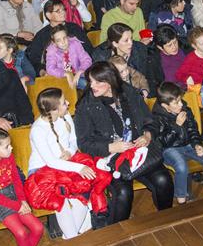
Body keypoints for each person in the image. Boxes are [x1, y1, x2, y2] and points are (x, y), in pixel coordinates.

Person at [74, 62, 173, 224]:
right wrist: (111, 147)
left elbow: (150, 120)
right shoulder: (86, 106)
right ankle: (117, 232)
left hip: (138, 150)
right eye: (91, 81)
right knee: (124, 193)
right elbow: (84, 143)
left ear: (110, 81)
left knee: (163, 179)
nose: (92, 86)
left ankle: (166, 221)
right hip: (111, 157)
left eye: (98, 82)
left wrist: (147, 135)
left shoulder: (129, 92)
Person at [28, 88, 93, 239]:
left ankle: (71, 238)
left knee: (81, 192)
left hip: (66, 164)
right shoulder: (38, 130)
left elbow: (73, 141)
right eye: (64, 103)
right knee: (61, 199)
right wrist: (79, 168)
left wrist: (69, 151)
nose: (68, 103)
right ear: (53, 109)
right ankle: (74, 238)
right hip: (42, 171)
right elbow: (51, 162)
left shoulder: (65, 116)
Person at [0, 128, 43, 246]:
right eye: (7, 146)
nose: (11, 148)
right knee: (21, 232)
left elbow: (17, 180)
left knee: (38, 228)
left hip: (14, 195)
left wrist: (22, 200)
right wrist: (18, 206)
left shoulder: (9, 157)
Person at [152, 82, 203, 203]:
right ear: (165, 106)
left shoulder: (185, 110)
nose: (181, 104)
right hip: (169, 149)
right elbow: (162, 142)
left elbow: (193, 130)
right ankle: (181, 200)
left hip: (188, 145)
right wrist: (176, 126)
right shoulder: (157, 117)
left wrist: (197, 144)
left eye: (180, 100)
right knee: (182, 167)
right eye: (176, 102)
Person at [45, 24, 92, 88]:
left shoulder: (75, 44)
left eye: (64, 38)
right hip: (62, 78)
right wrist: (65, 73)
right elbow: (50, 69)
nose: (63, 42)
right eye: (58, 40)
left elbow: (86, 59)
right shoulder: (52, 51)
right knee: (86, 84)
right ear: (54, 43)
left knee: (95, 80)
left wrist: (81, 70)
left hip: (77, 74)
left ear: (68, 37)